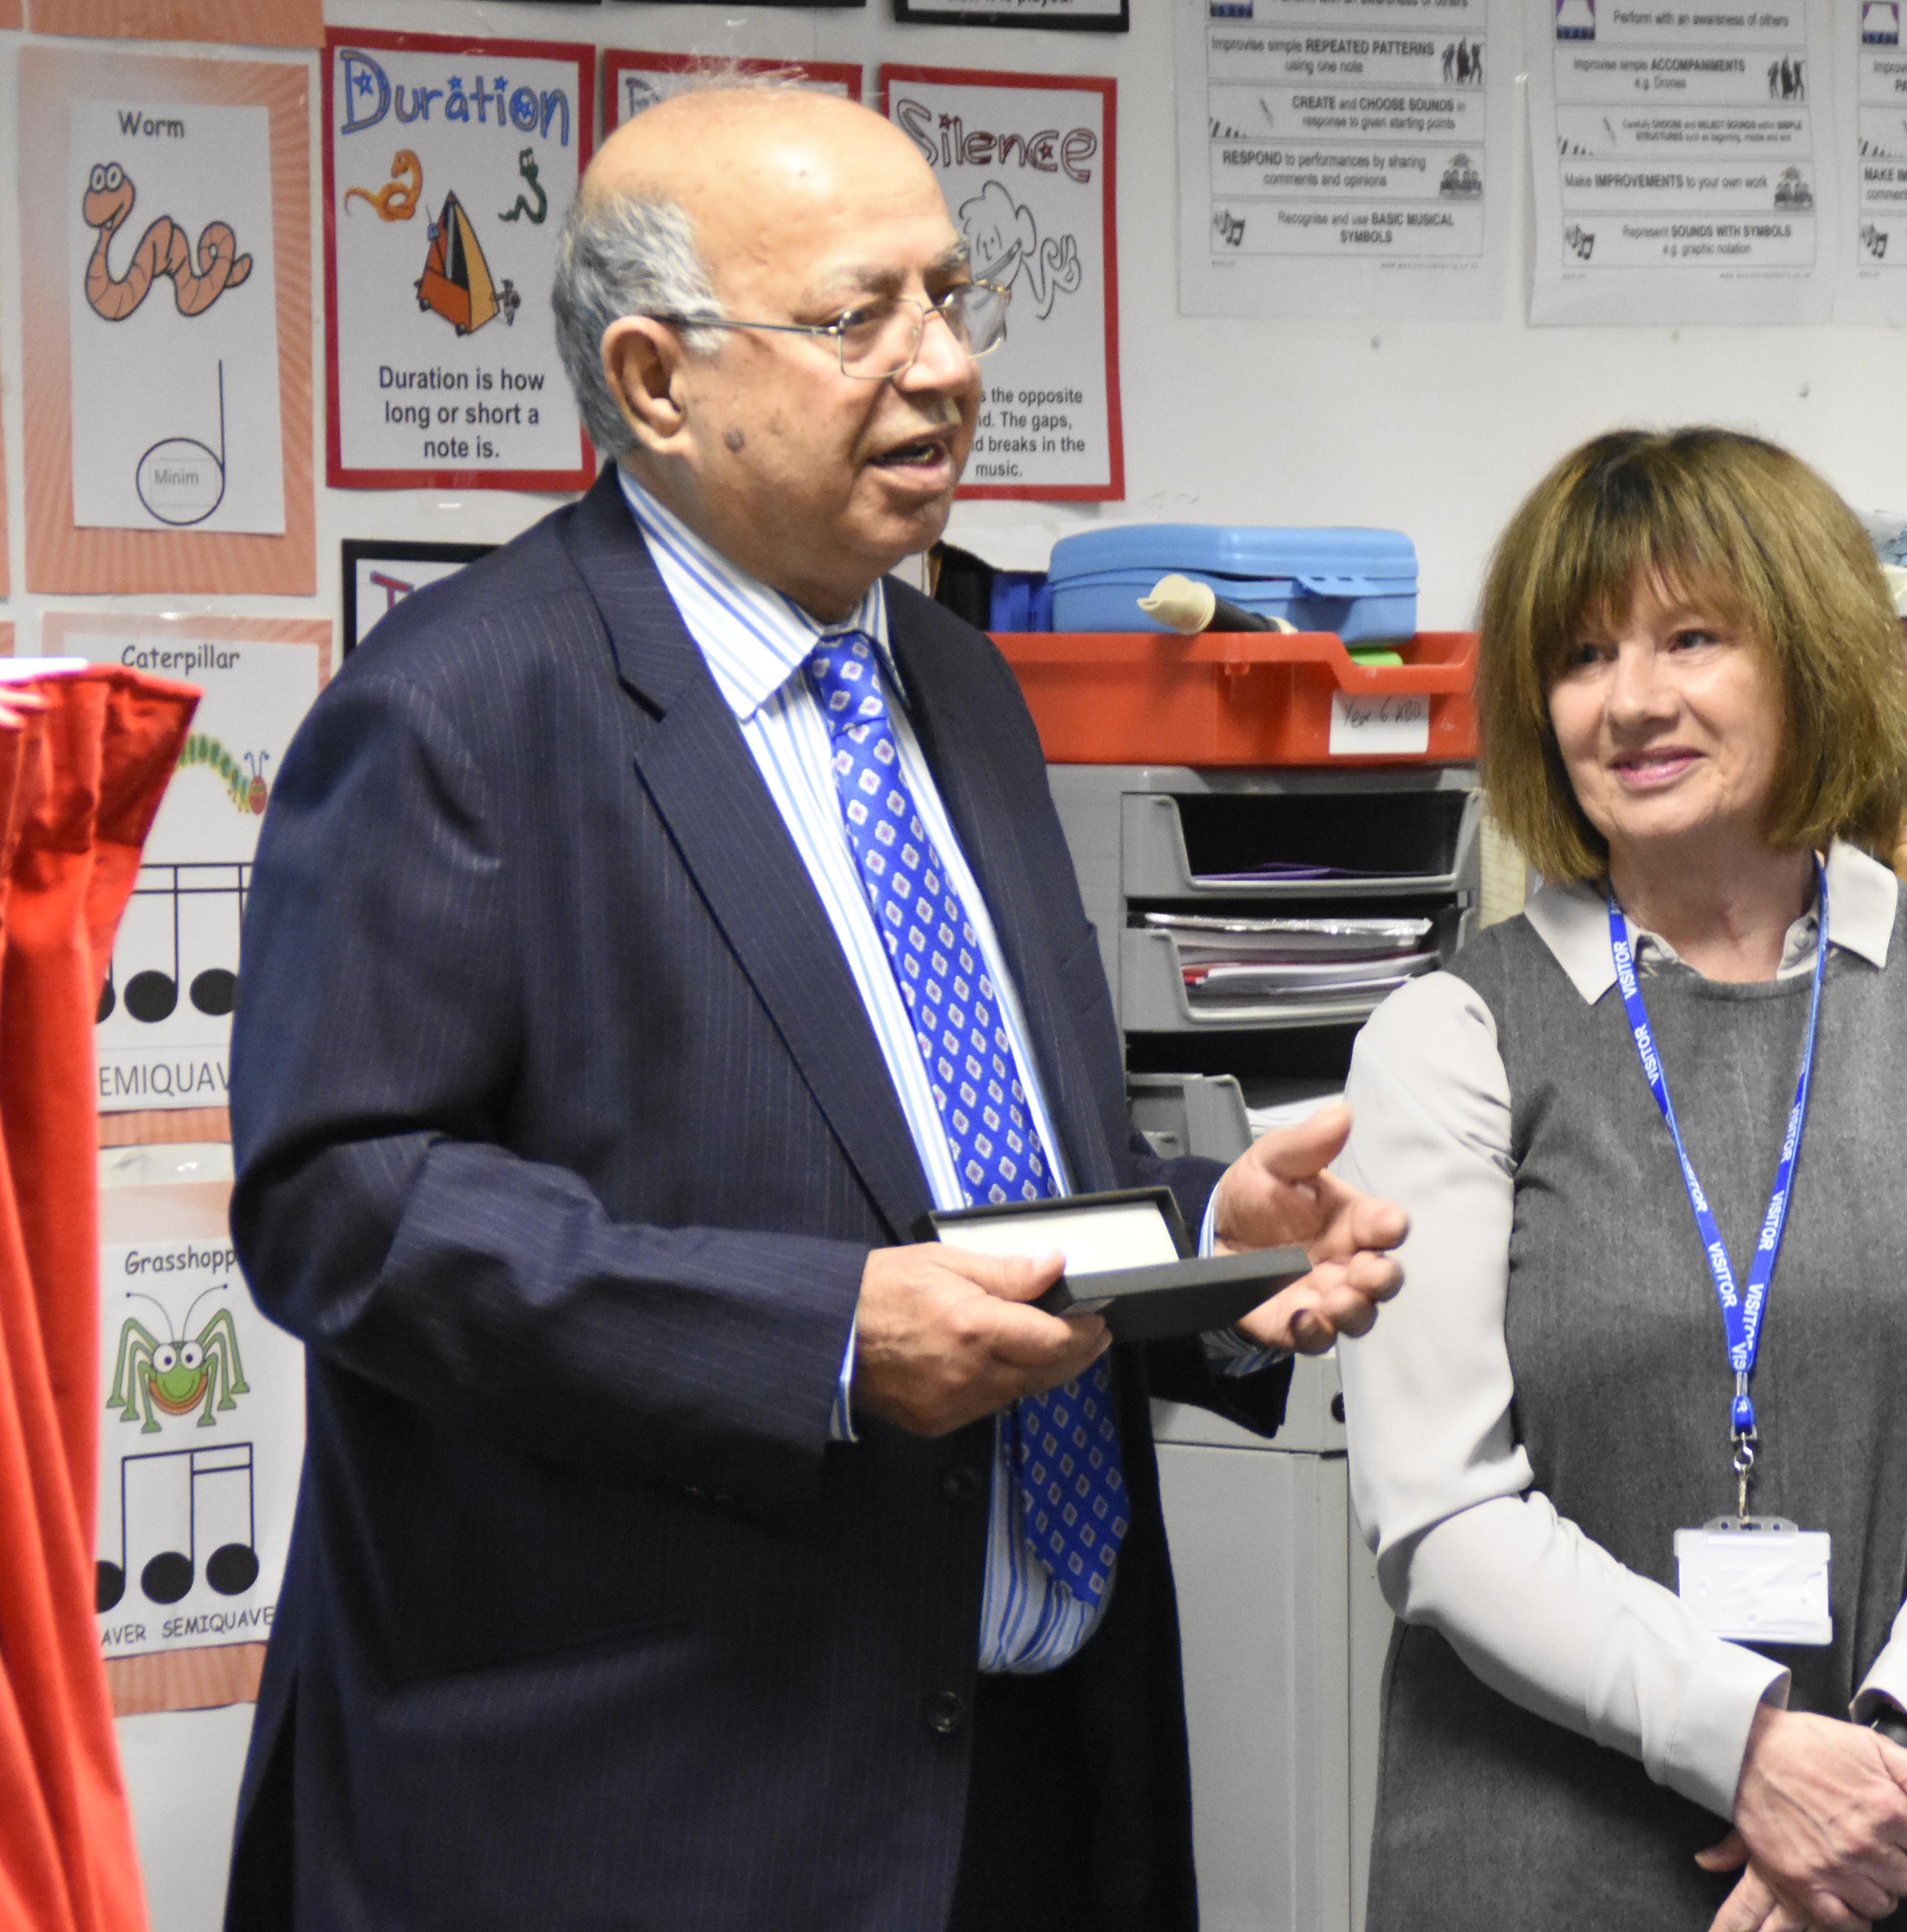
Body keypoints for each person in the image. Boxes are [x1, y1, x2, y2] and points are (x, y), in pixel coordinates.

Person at [220, 86, 1409, 1931]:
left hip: (1038, 1773)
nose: (946, 367)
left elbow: (983, 1172)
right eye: (861, 318)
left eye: (951, 297)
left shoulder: (962, 687)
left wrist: (1211, 1242)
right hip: (668, 1806)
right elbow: (345, 1209)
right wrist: (821, 1341)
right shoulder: (457, 709)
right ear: (655, 381)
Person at [1335, 427, 1907, 1932]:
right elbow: (1436, 1508)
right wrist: (1752, 1751)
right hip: (1551, 1853)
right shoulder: (1448, 1038)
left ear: (1812, 657)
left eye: (1692, 639)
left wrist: (1883, 1772)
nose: (1633, 700)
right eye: (1583, 656)